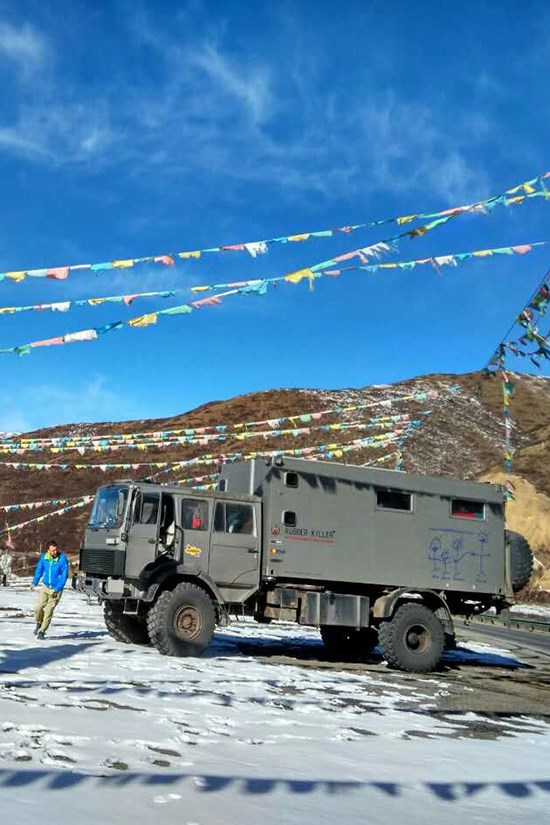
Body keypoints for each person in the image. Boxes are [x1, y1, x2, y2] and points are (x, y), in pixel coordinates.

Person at [31, 540, 69, 639]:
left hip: (56, 589)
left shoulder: (62, 559)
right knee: (38, 608)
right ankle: (39, 622)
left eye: (56, 550)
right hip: (45, 586)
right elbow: (39, 570)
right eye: (52, 551)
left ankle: (42, 632)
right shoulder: (44, 558)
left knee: (48, 610)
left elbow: (64, 576)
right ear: (48, 550)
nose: (55, 552)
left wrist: (57, 589)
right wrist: (34, 583)